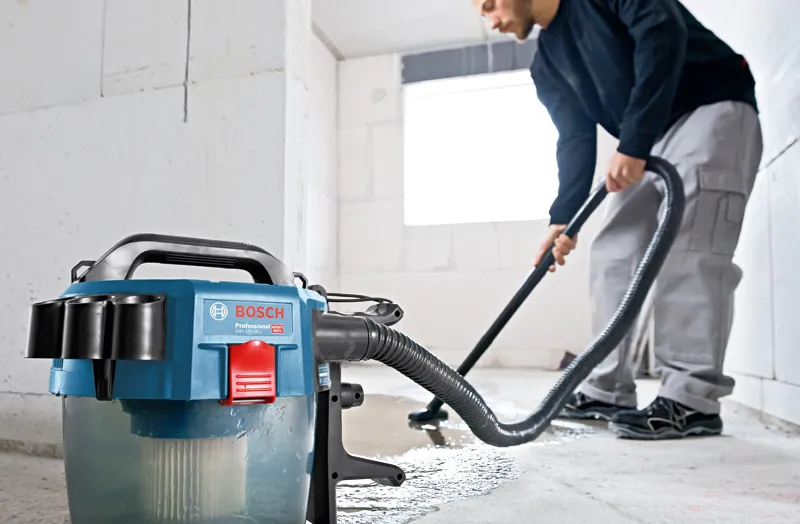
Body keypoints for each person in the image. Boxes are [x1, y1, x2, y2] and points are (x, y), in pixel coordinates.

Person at [471, 0, 763, 440]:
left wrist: (635, 140)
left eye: (489, 4)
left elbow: (661, 33)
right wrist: (562, 219)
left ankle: (692, 399)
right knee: (613, 252)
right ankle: (604, 388)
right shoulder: (547, 64)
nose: (490, 21)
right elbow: (573, 138)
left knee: (690, 252)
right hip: (646, 137)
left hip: (708, 108)